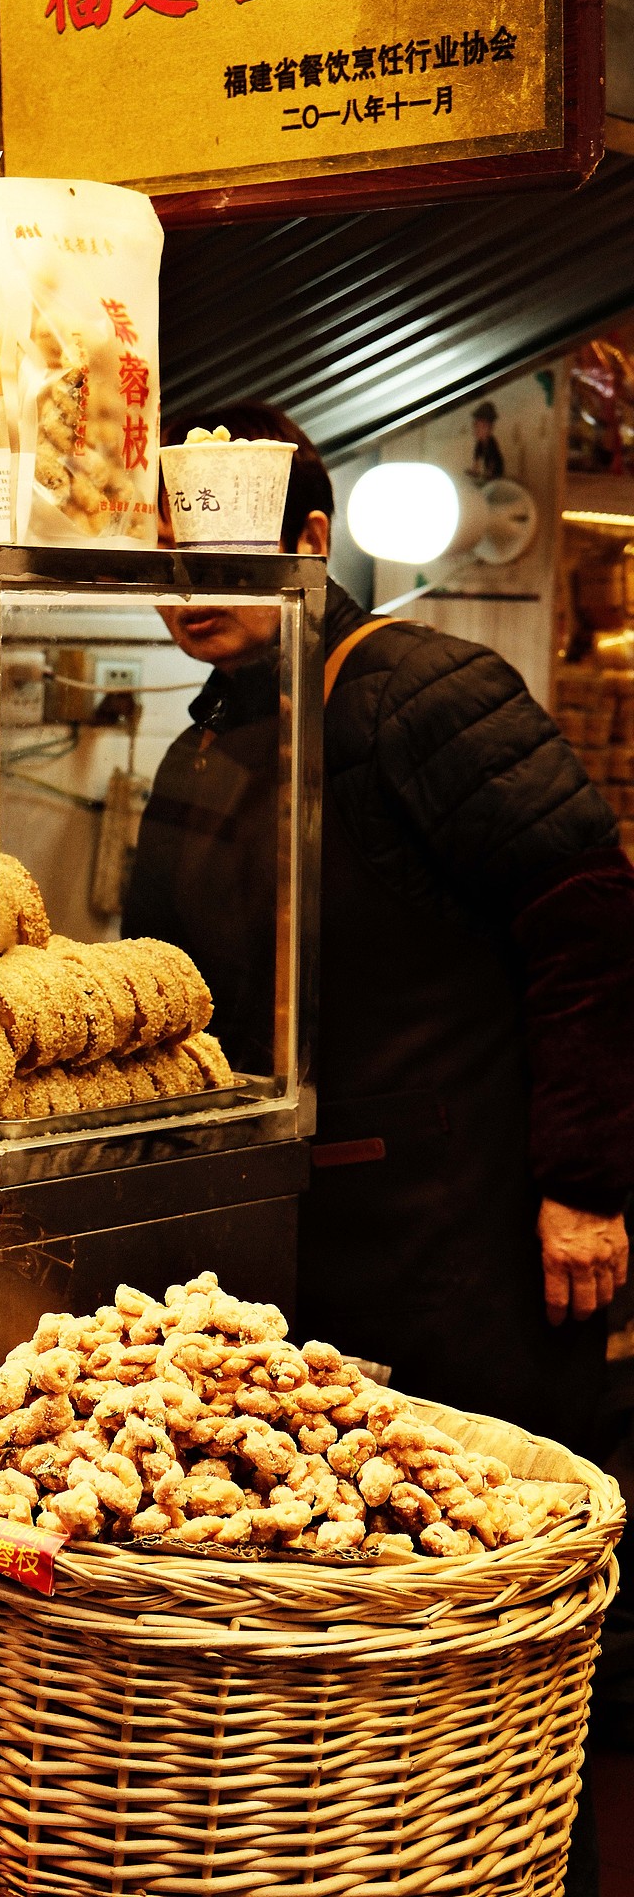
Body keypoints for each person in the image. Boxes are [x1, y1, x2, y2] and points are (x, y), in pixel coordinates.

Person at [124, 402, 634, 1460]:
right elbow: (161, 985)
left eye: (216, 555)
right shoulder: (201, 745)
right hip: (288, 1234)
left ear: (309, 540)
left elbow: (587, 930)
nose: (186, 594)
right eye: (165, 561)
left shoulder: (429, 692)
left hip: (458, 1238)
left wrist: (584, 1189)